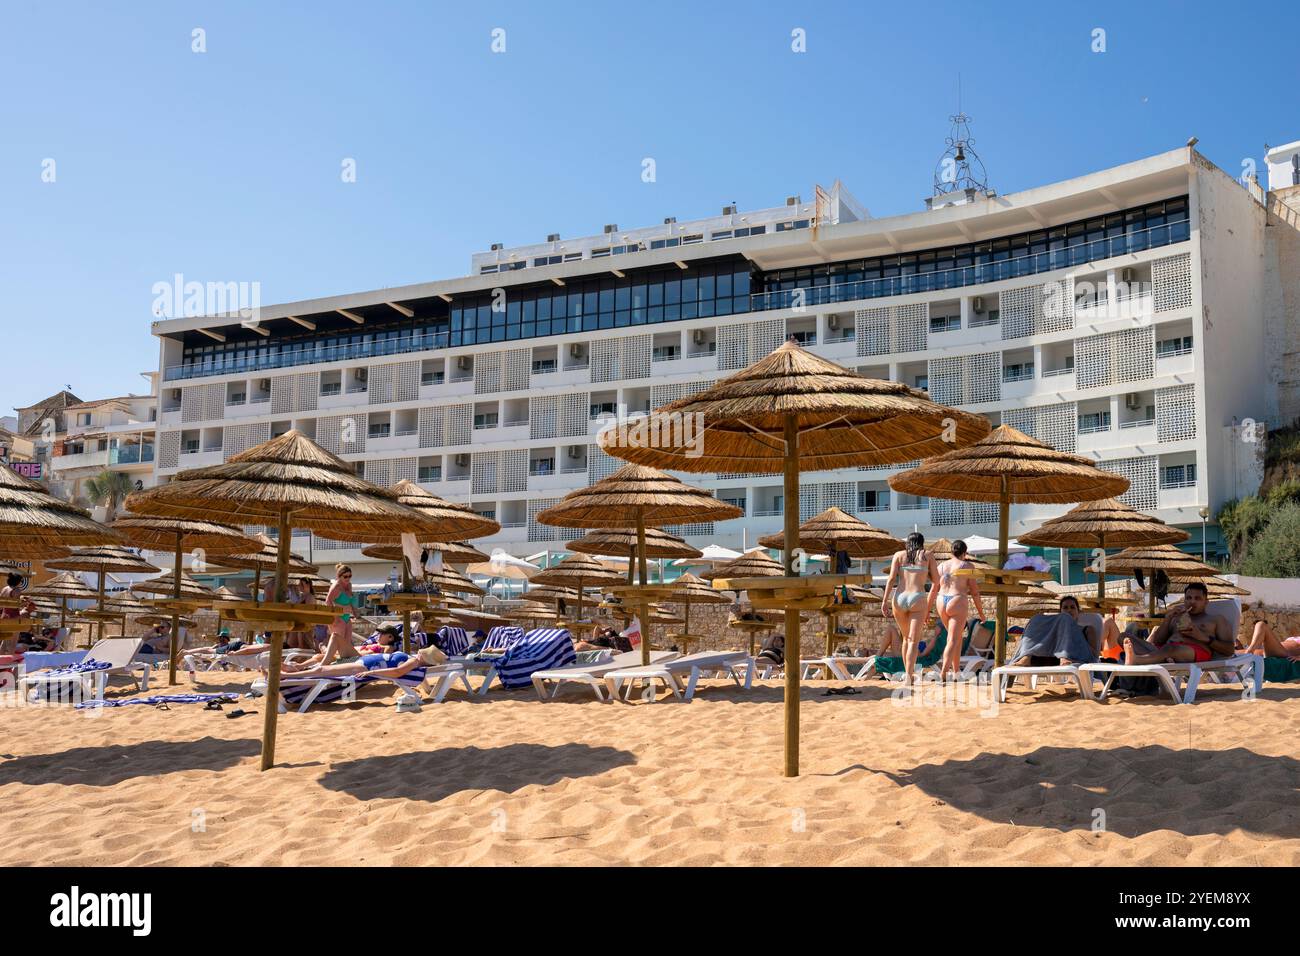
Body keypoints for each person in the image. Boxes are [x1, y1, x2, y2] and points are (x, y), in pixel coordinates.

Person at [1124, 582, 1233, 666]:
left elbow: (1229, 650)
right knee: (1123, 637)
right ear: (1184, 600)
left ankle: (1137, 660)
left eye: (1198, 598)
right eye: (1188, 598)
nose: (1192, 602)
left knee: (1169, 649)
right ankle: (1161, 659)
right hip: (1164, 650)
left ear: (1206, 602)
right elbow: (1158, 641)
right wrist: (1167, 619)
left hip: (1198, 650)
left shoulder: (1215, 620)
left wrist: (1203, 638)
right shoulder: (1177, 617)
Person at [882, 532, 940, 685]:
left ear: (907, 542)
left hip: (899, 598)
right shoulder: (928, 555)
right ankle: (908, 675)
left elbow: (891, 579)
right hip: (917, 597)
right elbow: (936, 582)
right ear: (922, 543)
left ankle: (906, 673)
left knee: (905, 638)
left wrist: (884, 601)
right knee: (913, 641)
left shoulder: (899, 555)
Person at [935, 540, 985, 681]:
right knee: (952, 639)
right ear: (964, 553)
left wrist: (927, 610)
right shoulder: (967, 566)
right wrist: (981, 614)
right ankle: (944, 672)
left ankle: (956, 672)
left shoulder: (941, 566)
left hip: (941, 601)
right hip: (957, 600)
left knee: (955, 638)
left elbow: (934, 588)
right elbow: (975, 593)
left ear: (951, 552)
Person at [1008, 595, 1098, 667]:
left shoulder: (1087, 629)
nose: (1069, 610)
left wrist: (1076, 641)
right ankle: (1027, 656)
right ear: (1060, 612)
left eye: (1072, 607)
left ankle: (1065, 656)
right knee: (1036, 618)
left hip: (1078, 658)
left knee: (1065, 618)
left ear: (1079, 612)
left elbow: (1094, 655)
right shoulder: (1057, 629)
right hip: (1053, 659)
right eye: (1065, 608)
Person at [280, 644, 446, 682]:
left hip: (365, 666)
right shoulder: (415, 660)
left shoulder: (414, 662)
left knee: (322, 669)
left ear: (425, 658)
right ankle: (291, 671)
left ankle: (287, 674)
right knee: (321, 666)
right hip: (364, 661)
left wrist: (370, 673)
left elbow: (396, 672)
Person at [319, 564, 359, 665]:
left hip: (347, 617)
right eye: (345, 576)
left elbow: (350, 601)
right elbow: (328, 601)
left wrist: (355, 613)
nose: (348, 578)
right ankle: (324, 654)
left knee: (347, 645)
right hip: (338, 618)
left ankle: (343, 665)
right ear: (339, 576)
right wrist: (335, 616)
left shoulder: (349, 585)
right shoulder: (336, 586)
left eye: (350, 576)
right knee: (338, 645)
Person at [285, 576, 319, 650]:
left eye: (301, 584)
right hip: (299, 624)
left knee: (304, 647)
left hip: (305, 625)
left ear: (307, 585)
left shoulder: (309, 597)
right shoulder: (303, 596)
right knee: (292, 645)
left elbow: (309, 612)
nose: (299, 586)